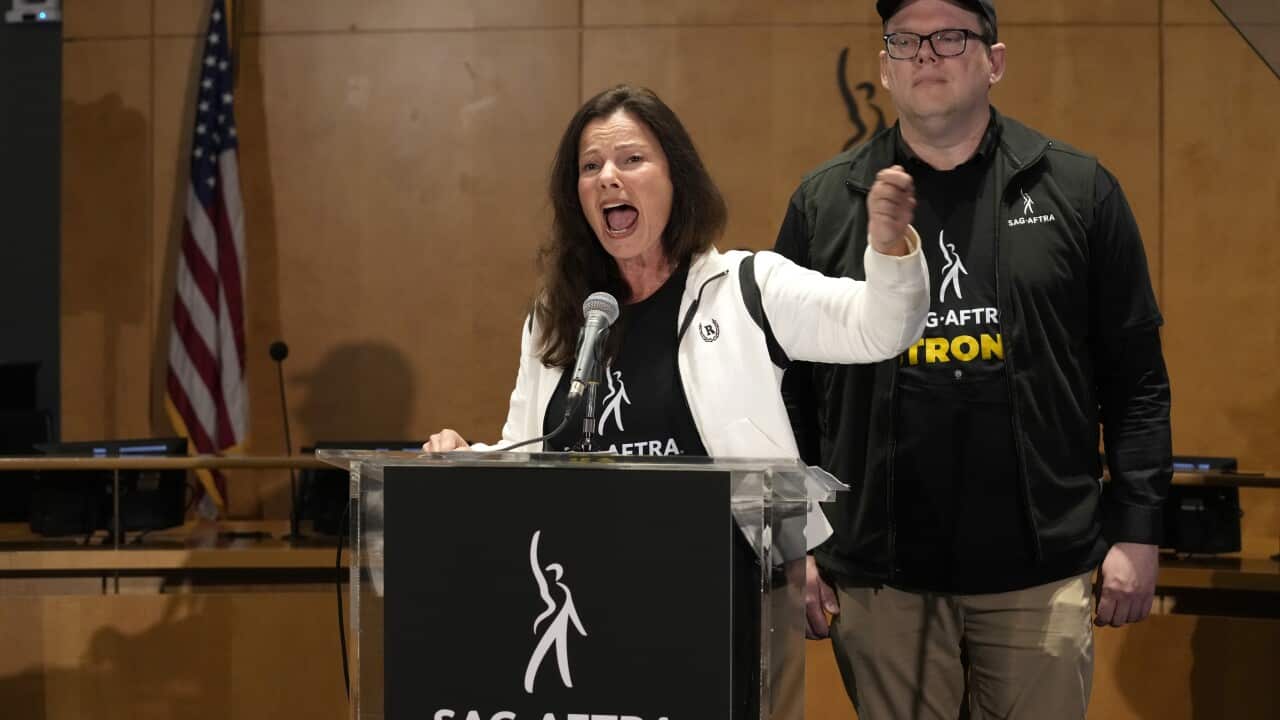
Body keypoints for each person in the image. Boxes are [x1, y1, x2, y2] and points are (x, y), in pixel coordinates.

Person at [773, 1, 1173, 718]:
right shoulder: (826, 202)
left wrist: (1138, 529)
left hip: (1039, 571)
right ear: (885, 68)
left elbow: (1137, 378)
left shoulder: (1078, 190)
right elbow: (786, 393)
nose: (926, 53)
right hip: (880, 575)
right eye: (905, 39)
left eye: (951, 35)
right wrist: (791, 544)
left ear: (994, 61)